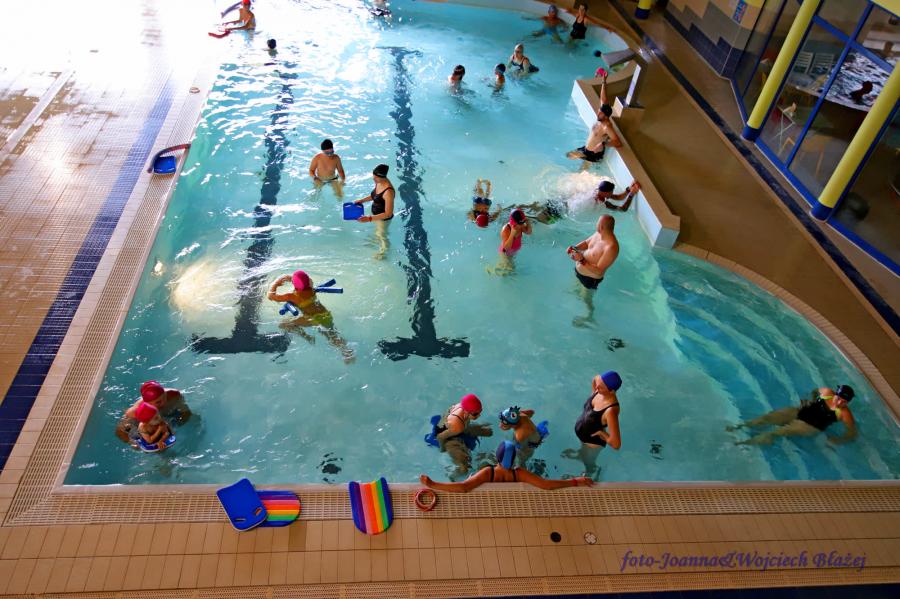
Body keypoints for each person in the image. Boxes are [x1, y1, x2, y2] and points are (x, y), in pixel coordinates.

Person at [421, 441, 593, 492]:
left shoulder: (487, 472)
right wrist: (575, 481)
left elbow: (464, 487)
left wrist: (433, 484)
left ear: (497, 457)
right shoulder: (519, 473)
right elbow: (546, 485)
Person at [267, 270, 355, 363]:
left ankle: (307, 337)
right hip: (326, 314)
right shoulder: (311, 288)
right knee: (332, 335)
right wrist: (292, 279)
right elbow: (307, 280)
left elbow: (271, 296)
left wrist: (276, 283)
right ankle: (346, 350)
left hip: (313, 318)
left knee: (283, 324)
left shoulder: (293, 296)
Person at [729, 385, 857, 446]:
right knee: (767, 418)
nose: (839, 403)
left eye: (844, 402)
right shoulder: (827, 392)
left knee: (775, 433)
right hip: (800, 411)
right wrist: (811, 401)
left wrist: (838, 440)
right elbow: (814, 391)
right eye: (838, 398)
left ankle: (741, 444)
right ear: (835, 394)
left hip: (810, 425)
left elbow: (852, 433)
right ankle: (738, 426)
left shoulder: (845, 414)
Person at [562, 371, 622, 476]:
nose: (597, 388)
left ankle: (592, 471)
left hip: (593, 445)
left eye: (601, 387)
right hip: (585, 438)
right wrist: (594, 391)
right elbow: (596, 378)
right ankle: (581, 455)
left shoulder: (611, 410)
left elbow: (616, 444)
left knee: (588, 463)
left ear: (612, 391)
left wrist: (603, 434)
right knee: (584, 452)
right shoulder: (599, 386)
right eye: (599, 384)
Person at [567, 215, 619, 326]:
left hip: (590, 279)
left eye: (597, 222)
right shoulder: (598, 234)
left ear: (601, 226)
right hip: (580, 272)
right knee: (576, 289)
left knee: (586, 299)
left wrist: (581, 260)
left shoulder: (611, 247)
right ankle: (577, 296)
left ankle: (589, 316)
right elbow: (586, 243)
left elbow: (599, 271)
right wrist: (574, 248)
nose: (596, 224)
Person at [434, 394, 494, 479]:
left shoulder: (462, 405)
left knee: (488, 432)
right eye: (475, 414)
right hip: (448, 437)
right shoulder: (457, 426)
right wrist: (443, 449)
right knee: (464, 468)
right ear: (466, 412)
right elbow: (440, 437)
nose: (479, 416)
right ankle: (451, 478)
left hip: (456, 426)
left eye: (480, 411)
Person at [567, 76, 621, 167]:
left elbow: (618, 142)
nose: (598, 113)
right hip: (586, 149)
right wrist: (604, 81)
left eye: (600, 113)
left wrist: (603, 144)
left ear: (606, 116)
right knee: (568, 155)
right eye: (599, 111)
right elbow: (603, 99)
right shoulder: (602, 116)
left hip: (593, 155)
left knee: (581, 170)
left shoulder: (606, 127)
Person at [116, 381, 190, 443]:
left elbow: (186, 413)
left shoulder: (174, 395)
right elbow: (121, 431)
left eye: (164, 397)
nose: (163, 403)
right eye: (158, 402)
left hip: (168, 416)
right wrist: (132, 443)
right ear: (147, 403)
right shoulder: (135, 412)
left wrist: (177, 424)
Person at [354, 164, 395, 259]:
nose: (373, 178)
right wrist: (362, 200)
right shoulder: (379, 182)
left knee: (382, 235)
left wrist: (369, 218)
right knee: (378, 232)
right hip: (376, 216)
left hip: (383, 219)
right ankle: (376, 240)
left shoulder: (388, 192)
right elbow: (375, 195)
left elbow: (388, 213)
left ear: (382, 177)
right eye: (373, 176)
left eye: (376, 177)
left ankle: (383, 253)